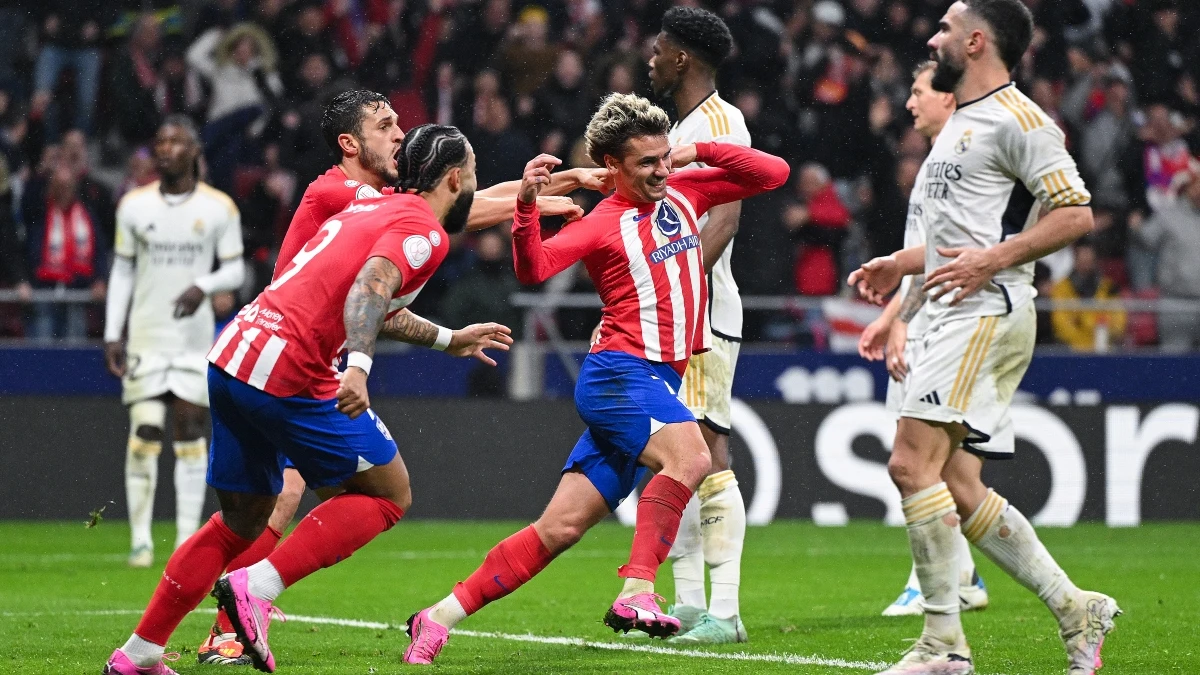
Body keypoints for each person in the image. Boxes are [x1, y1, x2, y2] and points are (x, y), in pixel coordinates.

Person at [192, 89, 597, 666]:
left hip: (300, 353)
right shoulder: (342, 190)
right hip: (292, 357)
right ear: (350, 144)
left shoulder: (380, 196)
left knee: (336, 499)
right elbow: (452, 208)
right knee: (299, 495)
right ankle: (232, 618)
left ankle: (220, 611)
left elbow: (452, 203)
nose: (400, 135)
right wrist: (534, 196)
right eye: (386, 127)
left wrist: (548, 188)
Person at [102, 124, 513, 675]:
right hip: (289, 369)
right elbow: (372, 286)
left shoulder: (374, 209)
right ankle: (258, 586)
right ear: (456, 179)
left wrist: (447, 338)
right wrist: (360, 368)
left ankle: (138, 654)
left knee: (240, 522)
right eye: (474, 177)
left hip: (233, 356)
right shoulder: (425, 233)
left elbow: (379, 302)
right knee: (388, 494)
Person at [403, 92, 789, 665]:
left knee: (557, 528)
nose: (661, 171)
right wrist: (528, 206)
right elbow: (534, 268)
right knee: (692, 459)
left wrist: (698, 150)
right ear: (612, 167)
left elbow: (773, 173)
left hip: (653, 380)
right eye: (646, 163)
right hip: (619, 375)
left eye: (663, 158)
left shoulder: (687, 188)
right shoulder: (602, 224)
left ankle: (437, 617)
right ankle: (638, 588)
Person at [848, 2, 1119, 673]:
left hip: (986, 309)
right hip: (952, 305)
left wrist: (995, 259)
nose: (932, 36)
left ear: (975, 41)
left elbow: (1078, 213)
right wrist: (902, 265)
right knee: (959, 484)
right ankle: (1073, 608)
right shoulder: (961, 121)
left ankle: (942, 646)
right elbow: (955, 243)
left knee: (911, 464)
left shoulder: (1021, 121)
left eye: (943, 27)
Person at [857, 62, 989, 618]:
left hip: (952, 324)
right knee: (948, 466)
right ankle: (963, 574)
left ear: (949, 99)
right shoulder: (935, 163)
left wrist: (904, 322)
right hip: (933, 318)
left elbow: (952, 253)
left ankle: (931, 580)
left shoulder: (959, 160)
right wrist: (894, 314)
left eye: (918, 93)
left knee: (922, 463)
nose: (910, 104)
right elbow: (923, 256)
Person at [642, 6, 750, 644]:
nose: (651, 58)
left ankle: (727, 611)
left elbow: (726, 218)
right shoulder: (674, 127)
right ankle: (685, 603)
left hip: (703, 312)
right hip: (673, 314)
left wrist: (676, 293)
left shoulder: (722, 122)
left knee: (707, 453)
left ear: (682, 57)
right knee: (674, 456)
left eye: (659, 49)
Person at [103, 115, 246, 571]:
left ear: (194, 150)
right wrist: (112, 332)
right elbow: (123, 270)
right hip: (147, 332)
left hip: (192, 338)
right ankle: (141, 540)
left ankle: (185, 539)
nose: (165, 149)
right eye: (160, 141)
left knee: (188, 430)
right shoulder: (133, 206)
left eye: (176, 141)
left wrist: (202, 285)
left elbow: (235, 271)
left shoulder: (220, 207)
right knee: (145, 431)